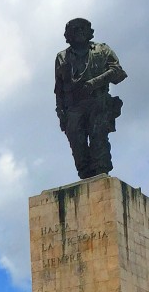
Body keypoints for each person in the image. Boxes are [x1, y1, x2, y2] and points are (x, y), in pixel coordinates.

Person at [54, 17, 127, 179]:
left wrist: (95, 82)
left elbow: (118, 72)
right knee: (77, 143)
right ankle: (85, 175)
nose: (78, 32)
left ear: (89, 33)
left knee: (98, 138)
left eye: (82, 29)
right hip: (73, 107)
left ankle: (101, 172)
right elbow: (58, 88)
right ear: (68, 35)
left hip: (97, 102)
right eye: (74, 30)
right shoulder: (62, 57)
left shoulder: (102, 50)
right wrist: (60, 112)